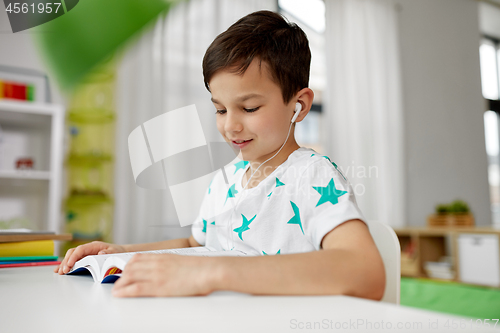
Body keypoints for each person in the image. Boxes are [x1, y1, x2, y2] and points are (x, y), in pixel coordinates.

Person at [55, 10, 385, 299]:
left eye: (250, 107)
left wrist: (215, 272)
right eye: (220, 109)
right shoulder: (225, 180)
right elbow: (197, 245)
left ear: (299, 105)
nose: (230, 126)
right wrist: (122, 252)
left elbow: (367, 273)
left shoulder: (311, 177)